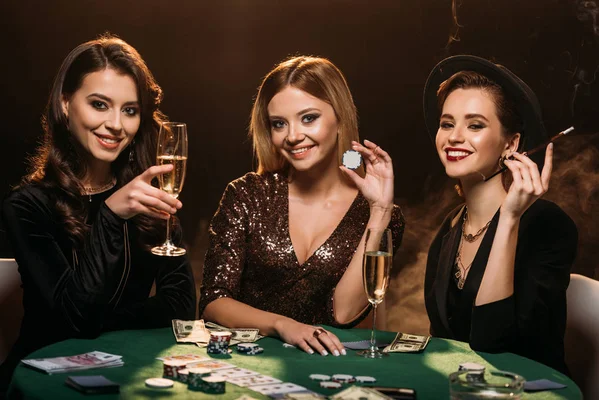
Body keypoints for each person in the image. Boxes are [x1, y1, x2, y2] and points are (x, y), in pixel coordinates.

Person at [0, 35, 196, 392]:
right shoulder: (27, 206)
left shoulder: (148, 199)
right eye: (99, 104)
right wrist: (110, 215)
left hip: (129, 374)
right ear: (64, 104)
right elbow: (72, 321)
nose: (116, 124)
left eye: (130, 110)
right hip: (42, 382)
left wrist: (104, 320)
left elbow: (181, 309)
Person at [199, 56, 404, 356]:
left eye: (309, 118)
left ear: (340, 119)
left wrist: (380, 210)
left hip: (327, 370)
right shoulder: (247, 194)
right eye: (279, 124)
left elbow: (345, 313)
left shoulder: (382, 216)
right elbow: (213, 302)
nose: (293, 136)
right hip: (250, 366)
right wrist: (283, 325)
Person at [422, 55, 578, 374]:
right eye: (447, 123)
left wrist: (508, 219)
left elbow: (493, 344)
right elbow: (443, 340)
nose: (454, 137)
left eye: (475, 125)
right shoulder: (450, 227)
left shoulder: (548, 225)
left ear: (511, 144)